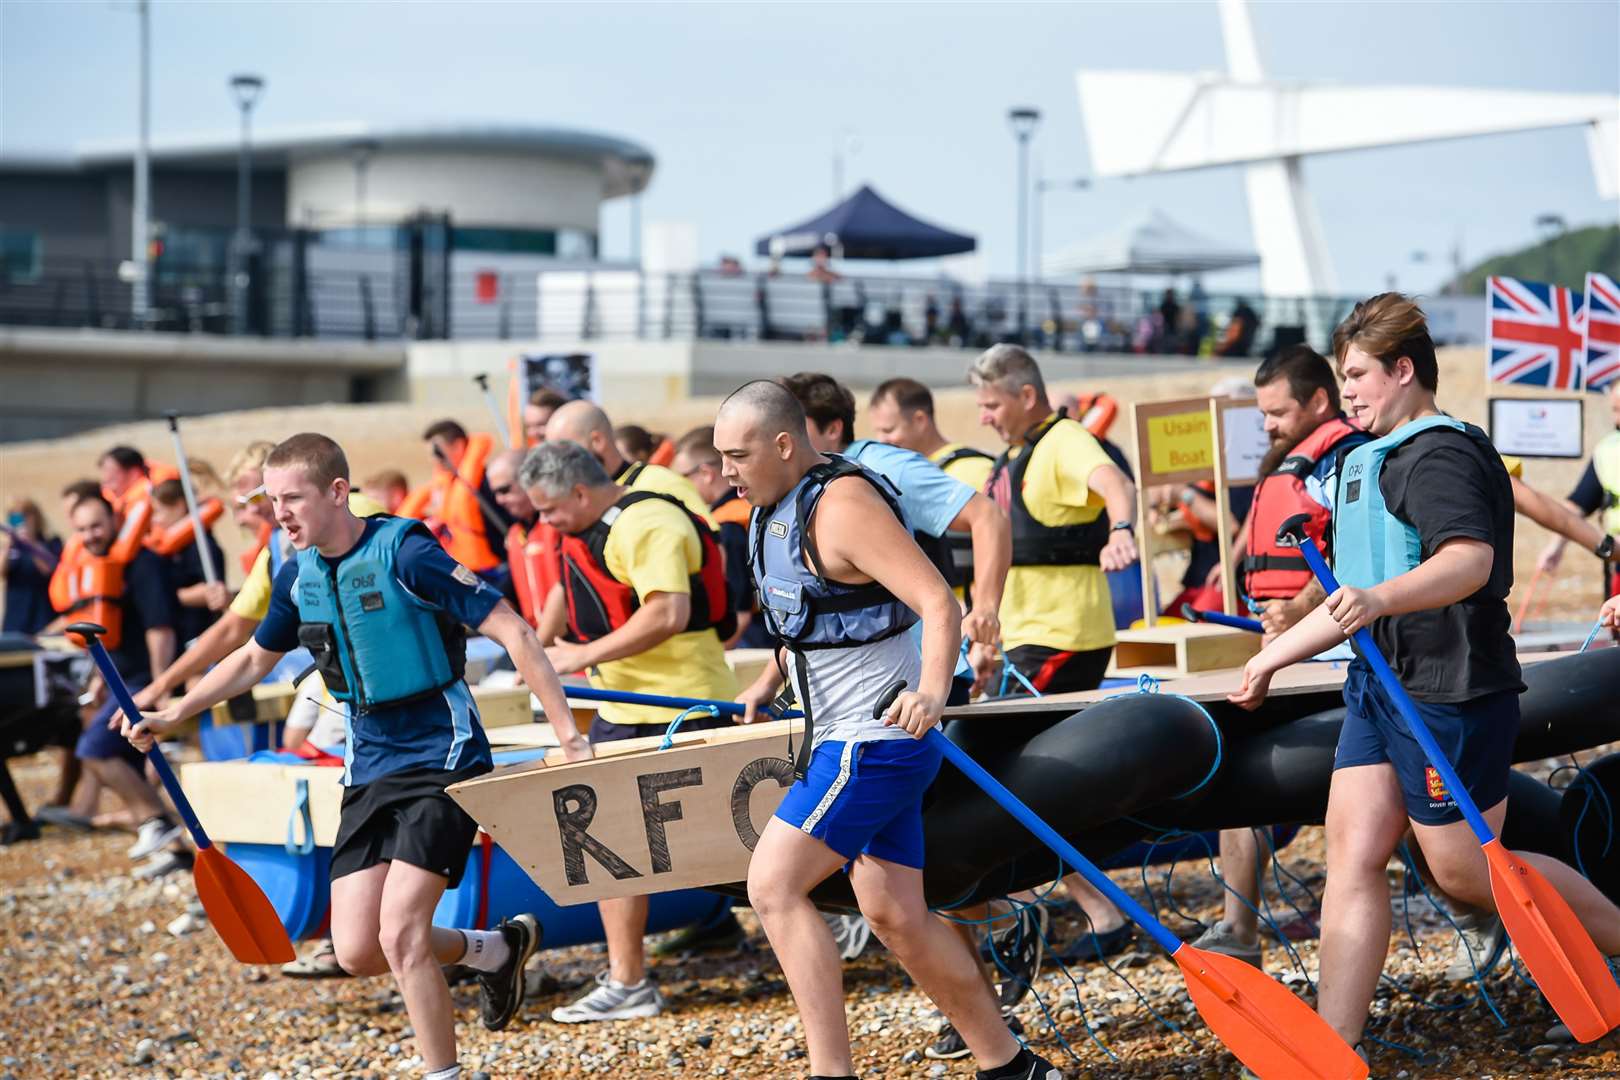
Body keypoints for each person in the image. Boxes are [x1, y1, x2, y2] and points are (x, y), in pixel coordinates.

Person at [120, 433, 585, 1077]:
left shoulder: (408, 552)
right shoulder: (297, 573)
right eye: (271, 499)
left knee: (401, 934)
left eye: (293, 498)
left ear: (337, 492)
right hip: (369, 762)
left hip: (441, 755)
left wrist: (569, 735)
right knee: (358, 949)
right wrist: (172, 710)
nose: (280, 513)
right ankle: (495, 950)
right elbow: (254, 659)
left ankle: (443, 1073)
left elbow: (514, 629)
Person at [1227, 293, 1620, 1055]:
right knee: (1354, 851)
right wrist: (1271, 657)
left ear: (1404, 370)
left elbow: (1468, 561)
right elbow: (1351, 599)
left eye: (1358, 378)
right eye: (1343, 382)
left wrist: (1376, 600)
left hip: (1450, 690)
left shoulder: (1439, 453)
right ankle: (1332, 1048)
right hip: (1380, 689)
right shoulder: (1365, 458)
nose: (1348, 397)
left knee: (1467, 873)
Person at [719, 380, 1063, 1080]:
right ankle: (1011, 1065)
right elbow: (815, 620)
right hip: (845, 739)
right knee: (898, 917)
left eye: (736, 456)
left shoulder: (842, 504)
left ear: (785, 445)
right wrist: (768, 679)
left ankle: (831, 1071)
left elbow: (938, 602)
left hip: (871, 742)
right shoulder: (773, 508)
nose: (724, 471)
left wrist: (932, 691)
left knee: (773, 887)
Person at [519, 440, 741, 1023]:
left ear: (581, 492)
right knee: (608, 839)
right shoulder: (585, 527)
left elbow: (667, 611)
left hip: (684, 704)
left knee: (743, 838)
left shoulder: (649, 522)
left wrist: (581, 654)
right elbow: (572, 587)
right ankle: (628, 980)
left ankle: (851, 922)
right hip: (622, 705)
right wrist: (538, 647)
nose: (543, 522)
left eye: (548, 510)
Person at [1190, 347, 1371, 968]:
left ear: (1318, 401)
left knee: (1378, 794)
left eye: (1276, 411)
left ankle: (1471, 906)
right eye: (1262, 413)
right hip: (1282, 645)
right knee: (1237, 765)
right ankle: (1238, 928)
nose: (1265, 424)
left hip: (1337, 648)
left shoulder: (1346, 457)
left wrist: (1298, 609)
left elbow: (1353, 552)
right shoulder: (1291, 457)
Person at [969, 344, 1140, 967]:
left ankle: (1036, 911)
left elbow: (1115, 485)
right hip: (1025, 639)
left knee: (996, 777)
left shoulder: (1065, 442)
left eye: (991, 405)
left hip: (1064, 638)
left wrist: (1122, 530)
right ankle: (1092, 911)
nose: (984, 417)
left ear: (1026, 396)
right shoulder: (1015, 454)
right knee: (1005, 779)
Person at [778, 373, 1010, 698]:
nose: (782, 440)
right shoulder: (797, 494)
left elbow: (989, 516)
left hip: (920, 680)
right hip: (851, 688)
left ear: (833, 429)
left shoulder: (883, 465)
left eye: (795, 428)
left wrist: (985, 608)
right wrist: (767, 685)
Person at [51, 493, 183, 867]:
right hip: (119, 677)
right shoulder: (100, 565)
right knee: (140, 762)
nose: (91, 536)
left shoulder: (142, 564)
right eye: (81, 530)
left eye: (96, 525)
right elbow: (104, 635)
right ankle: (177, 851)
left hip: (144, 678)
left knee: (94, 749)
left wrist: (162, 686)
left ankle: (156, 821)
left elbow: (160, 628)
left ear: (113, 520)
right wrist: (97, 678)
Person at [867, 378, 997, 606]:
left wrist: (983, 608)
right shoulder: (892, 473)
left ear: (919, 420)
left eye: (889, 430)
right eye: (877, 432)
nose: (882, 441)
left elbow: (1000, 539)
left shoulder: (974, 470)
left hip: (966, 613)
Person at [672, 425, 766, 648]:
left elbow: (740, 612)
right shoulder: (750, 506)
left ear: (706, 473)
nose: (677, 485)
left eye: (683, 477)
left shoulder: (727, 526)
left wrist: (717, 656)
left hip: (755, 639)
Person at [1536, 376, 1620, 598]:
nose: (1617, 418)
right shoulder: (1608, 451)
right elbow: (1578, 504)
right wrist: (1556, 547)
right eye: (1614, 409)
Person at [398, 420, 510, 579]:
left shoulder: (484, 483)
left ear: (458, 446)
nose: (433, 459)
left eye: (437, 452)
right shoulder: (447, 486)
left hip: (490, 571)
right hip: (460, 570)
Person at [147, 479, 228, 647]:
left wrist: (164, 597)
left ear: (179, 505)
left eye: (159, 511)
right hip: (180, 630)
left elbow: (212, 589)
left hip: (199, 632)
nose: (155, 520)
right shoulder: (173, 548)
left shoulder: (201, 546)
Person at [3, 499, 63, 635]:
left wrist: (30, 543)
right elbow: (2, 572)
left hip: (43, 616)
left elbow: (49, 569)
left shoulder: (51, 543)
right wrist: (9, 544)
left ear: (35, 517)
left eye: (25, 516)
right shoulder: (12, 547)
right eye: (15, 518)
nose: (21, 522)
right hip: (16, 619)